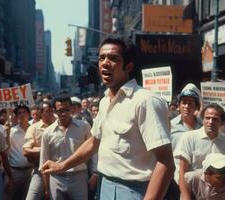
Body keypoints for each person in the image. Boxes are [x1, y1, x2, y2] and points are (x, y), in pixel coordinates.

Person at [40, 37, 175, 200]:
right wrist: (62, 165)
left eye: (113, 58)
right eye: (101, 58)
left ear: (129, 66)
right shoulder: (104, 102)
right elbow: (93, 142)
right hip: (105, 188)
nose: (104, 63)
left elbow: (166, 162)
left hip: (136, 191)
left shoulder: (146, 101)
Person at [39, 95, 96, 200]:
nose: (64, 113)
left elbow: (93, 151)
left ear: (71, 109)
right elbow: (44, 162)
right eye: (60, 111)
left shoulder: (84, 126)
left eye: (67, 110)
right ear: (54, 111)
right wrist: (46, 187)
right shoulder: (48, 132)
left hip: (79, 177)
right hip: (56, 178)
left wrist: (95, 174)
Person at [174, 103, 225, 200]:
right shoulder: (189, 138)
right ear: (202, 119)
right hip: (191, 191)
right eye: (207, 118)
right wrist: (186, 196)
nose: (210, 122)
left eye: (215, 119)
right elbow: (182, 171)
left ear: (221, 122)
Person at [23, 101, 56, 200]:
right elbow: (26, 151)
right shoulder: (33, 128)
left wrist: (37, 149)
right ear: (41, 113)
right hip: (40, 169)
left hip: (57, 169)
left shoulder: (58, 126)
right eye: (47, 111)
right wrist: (44, 150)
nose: (50, 113)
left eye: (51, 111)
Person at [4, 105, 33, 200]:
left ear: (29, 114)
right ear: (16, 116)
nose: (22, 114)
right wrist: (6, 135)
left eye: (24, 112)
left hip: (31, 171)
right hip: (15, 172)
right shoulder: (11, 131)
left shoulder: (34, 129)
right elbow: (6, 150)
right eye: (19, 113)